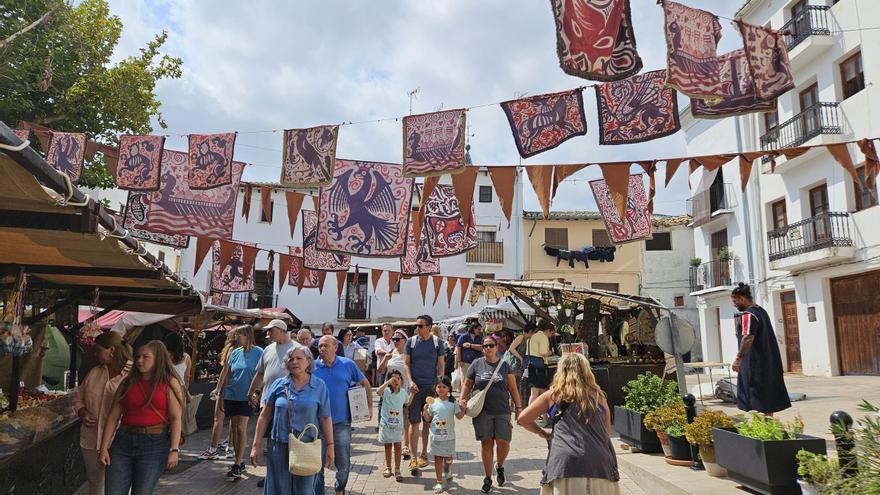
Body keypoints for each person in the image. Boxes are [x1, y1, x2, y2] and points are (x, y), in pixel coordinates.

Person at [518, 353, 620, 495]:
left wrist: (543, 434)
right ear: (586, 371)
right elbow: (607, 430)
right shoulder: (598, 395)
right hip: (599, 463)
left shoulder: (553, 395)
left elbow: (523, 419)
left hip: (564, 464)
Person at [99, 340, 183, 495]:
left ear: (158, 358)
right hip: (123, 441)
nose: (139, 360)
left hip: (154, 443)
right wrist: (104, 448)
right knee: (113, 491)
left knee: (142, 491)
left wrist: (174, 449)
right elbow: (113, 417)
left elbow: (176, 418)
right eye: (137, 356)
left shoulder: (169, 383)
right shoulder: (128, 382)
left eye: (145, 357)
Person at [251, 346, 334, 495]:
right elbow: (264, 416)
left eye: (299, 358)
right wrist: (255, 446)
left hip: (307, 447)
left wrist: (330, 446)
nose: (294, 362)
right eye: (291, 359)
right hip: (279, 446)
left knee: (305, 490)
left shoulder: (319, 386)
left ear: (308, 362)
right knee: (280, 490)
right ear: (287, 363)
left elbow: (325, 418)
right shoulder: (278, 385)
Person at [460, 336, 523, 493]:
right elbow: (467, 385)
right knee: (486, 444)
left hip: (502, 410)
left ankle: (500, 466)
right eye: (485, 346)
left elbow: (513, 388)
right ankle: (487, 478)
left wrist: (519, 408)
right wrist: (461, 399)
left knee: (504, 442)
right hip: (483, 411)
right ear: (482, 348)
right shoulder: (476, 364)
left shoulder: (505, 365)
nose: (488, 348)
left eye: (491, 345)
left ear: (497, 347)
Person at [313, 335, 373, 495]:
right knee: (317, 463)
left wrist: (369, 407)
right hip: (317, 423)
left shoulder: (348, 364)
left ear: (335, 347)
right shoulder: (312, 367)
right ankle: (319, 491)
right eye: (320, 346)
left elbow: (365, 383)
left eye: (325, 345)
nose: (322, 349)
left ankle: (340, 489)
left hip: (341, 423)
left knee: (343, 462)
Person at [74, 332, 132, 495]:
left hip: (120, 439)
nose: (95, 354)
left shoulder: (132, 373)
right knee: (96, 484)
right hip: (91, 439)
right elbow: (79, 398)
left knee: (118, 486)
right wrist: (83, 412)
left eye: (99, 350)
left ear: (111, 350)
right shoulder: (95, 373)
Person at [247, 319, 298, 488]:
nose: (267, 334)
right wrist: (252, 391)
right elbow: (261, 374)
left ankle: (291, 475)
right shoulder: (267, 350)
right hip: (267, 403)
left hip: (288, 405)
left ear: (282, 330)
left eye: (271, 331)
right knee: (271, 442)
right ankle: (271, 476)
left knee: (288, 441)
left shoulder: (296, 350)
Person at [731, 283, 791, 415]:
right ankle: (768, 428)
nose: (734, 305)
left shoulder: (748, 315)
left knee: (756, 400)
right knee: (766, 401)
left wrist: (738, 359)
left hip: (755, 365)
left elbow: (747, 337)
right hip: (768, 363)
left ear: (742, 299)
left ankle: (762, 431)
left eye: (735, 301)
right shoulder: (761, 311)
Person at [216, 325, 263, 480]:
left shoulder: (259, 352)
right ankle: (239, 459)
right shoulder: (235, 352)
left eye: (239, 335)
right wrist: (220, 391)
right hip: (232, 394)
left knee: (242, 428)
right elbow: (227, 373)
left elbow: (262, 374)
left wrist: (257, 392)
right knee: (235, 428)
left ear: (248, 336)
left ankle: (236, 464)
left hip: (247, 396)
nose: (237, 338)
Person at [403, 314, 445, 475]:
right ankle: (413, 457)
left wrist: (439, 386)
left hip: (431, 389)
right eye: (417, 325)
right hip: (415, 389)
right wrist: (410, 381)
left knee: (427, 422)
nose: (417, 328)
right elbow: (406, 364)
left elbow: (441, 365)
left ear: (429, 327)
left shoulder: (437, 343)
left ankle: (423, 455)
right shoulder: (411, 342)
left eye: (420, 326)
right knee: (414, 423)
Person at [199, 328, 238, 460]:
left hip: (227, 388)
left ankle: (213, 449)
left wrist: (218, 388)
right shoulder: (243, 351)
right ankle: (231, 448)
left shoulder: (232, 350)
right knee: (233, 419)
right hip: (236, 388)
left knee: (218, 418)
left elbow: (225, 370)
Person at [423, 376, 465, 494]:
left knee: (448, 459)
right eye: (439, 386)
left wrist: (464, 408)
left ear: (449, 388)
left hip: (449, 438)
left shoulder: (453, 402)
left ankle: (447, 470)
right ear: (435, 388)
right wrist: (425, 410)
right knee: (437, 458)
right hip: (435, 437)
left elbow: (459, 416)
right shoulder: (432, 402)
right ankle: (439, 481)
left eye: (444, 387)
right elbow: (427, 419)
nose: (441, 389)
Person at [378, 329, 412, 460]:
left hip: (404, 391)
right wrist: (385, 359)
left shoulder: (409, 355)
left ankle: (405, 445)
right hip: (390, 392)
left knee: (405, 418)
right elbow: (381, 370)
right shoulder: (390, 353)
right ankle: (392, 441)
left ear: (405, 340)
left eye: (398, 339)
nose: (395, 342)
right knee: (391, 416)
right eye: (394, 339)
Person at [377, 370, 407, 482]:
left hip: (398, 425)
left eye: (398, 379)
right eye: (393, 379)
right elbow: (378, 392)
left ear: (401, 381)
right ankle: (388, 467)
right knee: (388, 445)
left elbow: (407, 403)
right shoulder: (386, 391)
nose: (396, 381)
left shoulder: (403, 392)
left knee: (398, 446)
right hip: (386, 424)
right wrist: (387, 382)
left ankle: (398, 469)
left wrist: (413, 393)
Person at [524, 321, 554, 408]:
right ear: (548, 330)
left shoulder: (533, 336)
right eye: (551, 333)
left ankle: (536, 416)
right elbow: (543, 352)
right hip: (538, 367)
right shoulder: (543, 337)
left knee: (535, 392)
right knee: (538, 393)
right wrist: (550, 352)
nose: (551, 336)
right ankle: (533, 416)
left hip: (530, 365)